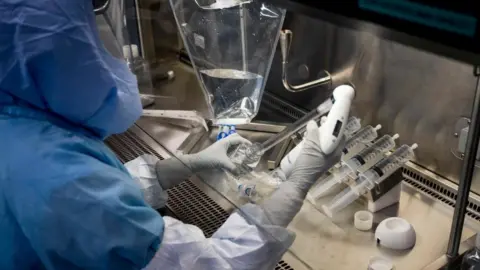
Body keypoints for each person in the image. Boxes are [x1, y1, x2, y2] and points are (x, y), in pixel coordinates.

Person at [0, 1, 345, 269]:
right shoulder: (57, 175)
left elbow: (89, 205)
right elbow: (214, 265)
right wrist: (296, 186)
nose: (102, 44)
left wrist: (181, 166)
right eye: (87, 30)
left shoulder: (20, 125)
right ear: (58, 50)